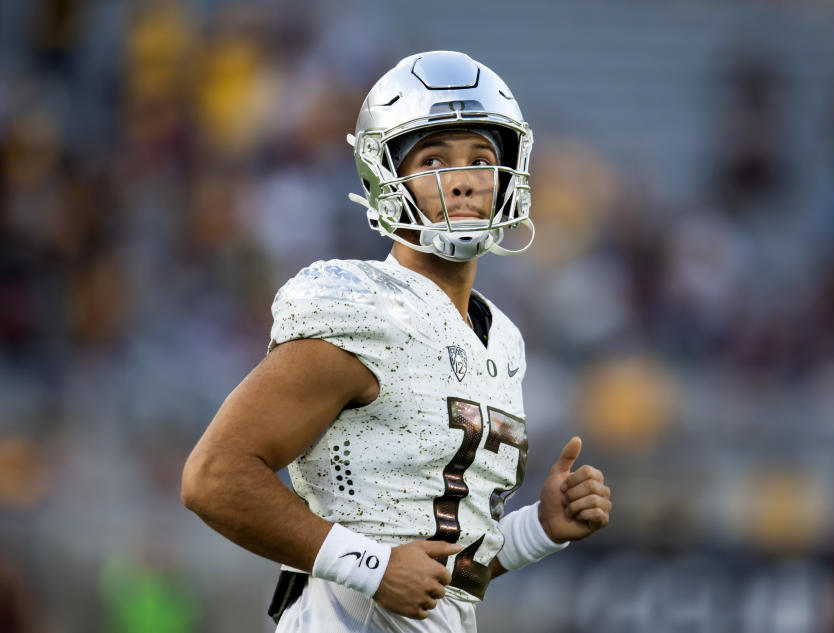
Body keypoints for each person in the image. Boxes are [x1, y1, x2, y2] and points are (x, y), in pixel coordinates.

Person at [181, 50, 612, 632]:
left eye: (481, 159)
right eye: (433, 159)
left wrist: (539, 528)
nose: (461, 180)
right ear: (387, 179)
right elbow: (213, 476)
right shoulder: (360, 305)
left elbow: (439, 566)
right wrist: (372, 566)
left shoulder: (501, 338)